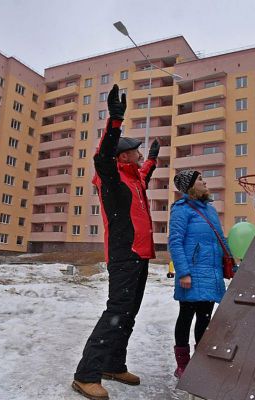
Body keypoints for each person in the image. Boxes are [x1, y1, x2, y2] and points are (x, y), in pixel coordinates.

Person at [72, 84, 160, 400]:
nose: (139, 152)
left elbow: (144, 175)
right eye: (136, 150)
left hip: (142, 254)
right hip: (124, 255)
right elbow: (103, 156)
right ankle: (86, 374)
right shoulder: (111, 178)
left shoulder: (134, 177)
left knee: (129, 313)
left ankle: (113, 363)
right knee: (116, 311)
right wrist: (115, 122)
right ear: (123, 155)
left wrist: (151, 160)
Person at [168, 170, 228, 378]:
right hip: (191, 274)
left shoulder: (210, 210)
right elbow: (175, 242)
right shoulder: (181, 210)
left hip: (211, 273)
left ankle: (200, 361)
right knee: (186, 317)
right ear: (191, 186)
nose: (205, 182)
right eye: (200, 179)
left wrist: (231, 265)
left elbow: (220, 239)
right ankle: (182, 365)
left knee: (205, 319)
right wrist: (183, 272)